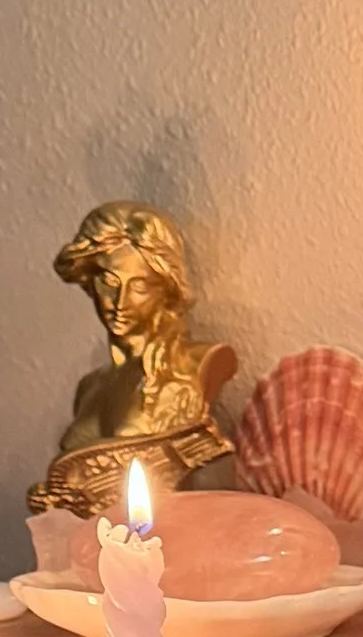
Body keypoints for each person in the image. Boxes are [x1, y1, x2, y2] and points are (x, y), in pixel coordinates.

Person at [29, 202, 236, 515]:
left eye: (139, 285)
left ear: (166, 289)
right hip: (96, 552)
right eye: (109, 282)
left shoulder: (199, 363)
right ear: (89, 281)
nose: (119, 302)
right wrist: (56, 501)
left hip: (170, 544)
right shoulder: (91, 386)